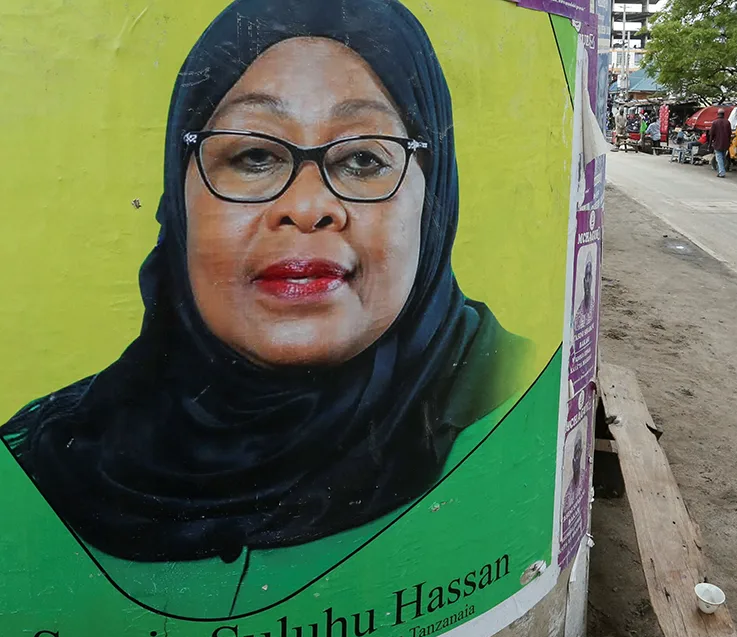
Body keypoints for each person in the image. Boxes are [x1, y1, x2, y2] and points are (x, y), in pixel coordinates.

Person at [0, 0, 531, 582]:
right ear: (179, 199)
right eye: (254, 155)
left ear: (433, 200)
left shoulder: (518, 401)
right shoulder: (44, 455)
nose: (306, 207)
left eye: (361, 158)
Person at [710, 110, 733, 178]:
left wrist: (710, 143)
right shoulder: (727, 122)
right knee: (722, 158)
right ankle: (720, 170)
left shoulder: (715, 122)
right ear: (723, 114)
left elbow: (711, 134)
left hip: (717, 143)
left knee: (719, 158)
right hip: (726, 143)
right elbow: (729, 133)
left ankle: (721, 172)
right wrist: (729, 142)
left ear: (718, 114)